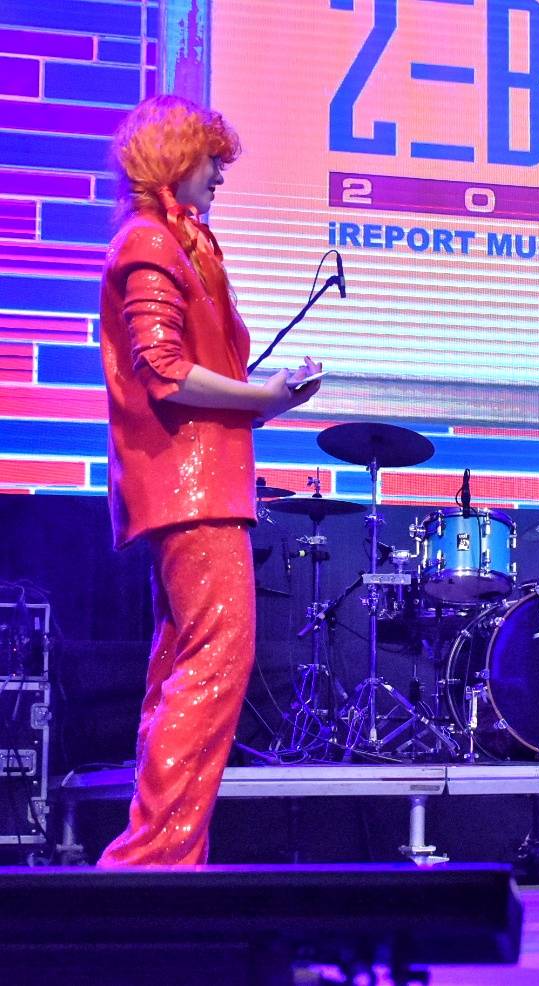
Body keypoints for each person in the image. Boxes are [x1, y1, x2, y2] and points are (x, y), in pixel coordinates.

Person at [97, 95, 321, 865]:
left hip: (195, 483)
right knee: (212, 667)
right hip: (191, 489)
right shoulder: (150, 242)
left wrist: (266, 398)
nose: (221, 175)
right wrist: (262, 397)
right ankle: (152, 859)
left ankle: (162, 856)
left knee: (184, 671)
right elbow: (163, 371)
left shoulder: (176, 242)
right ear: (172, 160)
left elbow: (181, 372)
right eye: (211, 160)